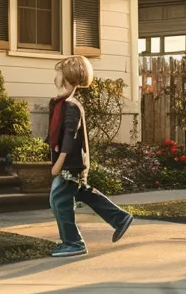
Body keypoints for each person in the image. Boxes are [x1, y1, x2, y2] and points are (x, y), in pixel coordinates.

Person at [47, 55, 133, 258]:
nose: (56, 77)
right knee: (81, 192)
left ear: (67, 76)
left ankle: (73, 242)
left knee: (59, 199)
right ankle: (120, 218)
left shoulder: (70, 106)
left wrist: (59, 163)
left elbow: (70, 136)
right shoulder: (63, 103)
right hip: (72, 163)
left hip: (71, 163)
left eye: (58, 73)